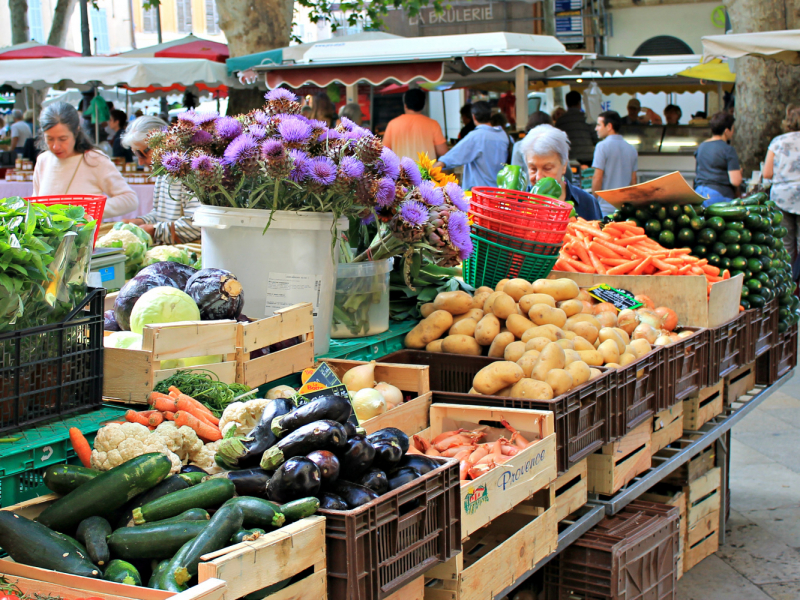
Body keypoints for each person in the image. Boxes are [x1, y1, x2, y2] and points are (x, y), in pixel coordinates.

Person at [32, 102, 137, 218]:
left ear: (76, 132)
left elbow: (129, 199)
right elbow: (36, 201)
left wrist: (89, 210)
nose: (56, 146)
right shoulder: (43, 160)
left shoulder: (94, 159)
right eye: (50, 139)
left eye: (63, 139)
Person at [121, 116, 201, 244]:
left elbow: (197, 224)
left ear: (160, 143)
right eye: (136, 155)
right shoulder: (162, 173)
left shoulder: (190, 171)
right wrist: (141, 222)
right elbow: (160, 215)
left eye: (142, 154)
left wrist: (154, 230)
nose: (140, 161)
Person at [519, 124, 602, 220]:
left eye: (548, 168)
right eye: (533, 169)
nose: (538, 177)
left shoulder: (587, 202)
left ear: (564, 166)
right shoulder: (517, 204)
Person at [433, 101, 510, 190]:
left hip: (481, 194)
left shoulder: (476, 136)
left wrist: (436, 167)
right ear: (491, 115)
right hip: (500, 192)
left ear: (473, 116)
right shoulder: (504, 135)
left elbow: (454, 155)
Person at [763, 105, 800, 264]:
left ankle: (788, 283)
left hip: (781, 197)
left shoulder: (777, 142)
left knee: (785, 245)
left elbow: (767, 173)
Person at [592, 110, 638, 216]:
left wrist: (594, 200)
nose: (596, 129)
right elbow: (633, 181)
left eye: (599, 125)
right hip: (624, 209)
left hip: (604, 208)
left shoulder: (602, 146)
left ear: (609, 126)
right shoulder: (632, 149)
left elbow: (597, 178)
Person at [382, 89, 447, 161]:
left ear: (405, 105)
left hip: (401, 171)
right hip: (425, 171)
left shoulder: (392, 124)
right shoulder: (433, 124)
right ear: (423, 105)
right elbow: (443, 152)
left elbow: (384, 153)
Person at [693, 111, 741, 205]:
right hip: (719, 195)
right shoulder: (728, 149)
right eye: (733, 129)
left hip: (699, 193)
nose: (733, 132)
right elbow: (735, 181)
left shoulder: (701, 147)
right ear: (727, 131)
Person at [555, 91, 597, 167]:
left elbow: (558, 142)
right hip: (588, 157)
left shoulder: (560, 121)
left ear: (567, 103)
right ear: (579, 103)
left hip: (570, 158)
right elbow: (596, 138)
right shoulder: (588, 118)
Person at [511, 111, 553, 183]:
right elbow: (567, 173)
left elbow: (515, 176)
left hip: (527, 192)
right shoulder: (555, 146)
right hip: (551, 191)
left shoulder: (519, 146)